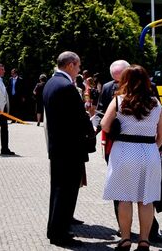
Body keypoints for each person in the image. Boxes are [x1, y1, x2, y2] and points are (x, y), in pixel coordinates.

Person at [101, 65, 162, 251]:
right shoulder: (156, 103)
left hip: (124, 150)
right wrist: (153, 146)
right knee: (146, 200)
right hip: (149, 151)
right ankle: (145, 241)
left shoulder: (119, 100)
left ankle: (125, 239)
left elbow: (105, 125)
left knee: (124, 198)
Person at [43, 52, 95, 247]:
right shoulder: (66, 87)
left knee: (57, 191)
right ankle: (60, 234)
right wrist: (91, 130)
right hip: (69, 148)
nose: (80, 70)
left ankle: (54, 229)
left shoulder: (51, 82)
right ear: (71, 65)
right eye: (79, 66)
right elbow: (78, 118)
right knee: (66, 193)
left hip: (58, 147)